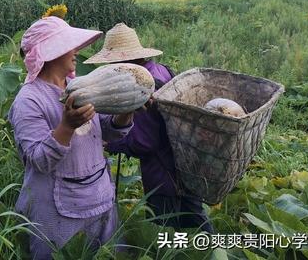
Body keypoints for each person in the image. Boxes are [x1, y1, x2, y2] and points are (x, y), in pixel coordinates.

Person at [8, 16, 135, 259]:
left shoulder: (78, 86)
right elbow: (39, 160)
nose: (76, 50)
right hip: (58, 212)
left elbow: (101, 132)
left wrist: (127, 110)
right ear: (51, 52)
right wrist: (66, 126)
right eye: (69, 45)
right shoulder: (28, 101)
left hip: (100, 199)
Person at [84, 23, 214, 233]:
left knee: (165, 233)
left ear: (122, 61)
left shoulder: (139, 85)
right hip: (185, 165)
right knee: (195, 223)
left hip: (162, 175)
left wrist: (113, 142)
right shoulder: (161, 70)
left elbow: (145, 142)